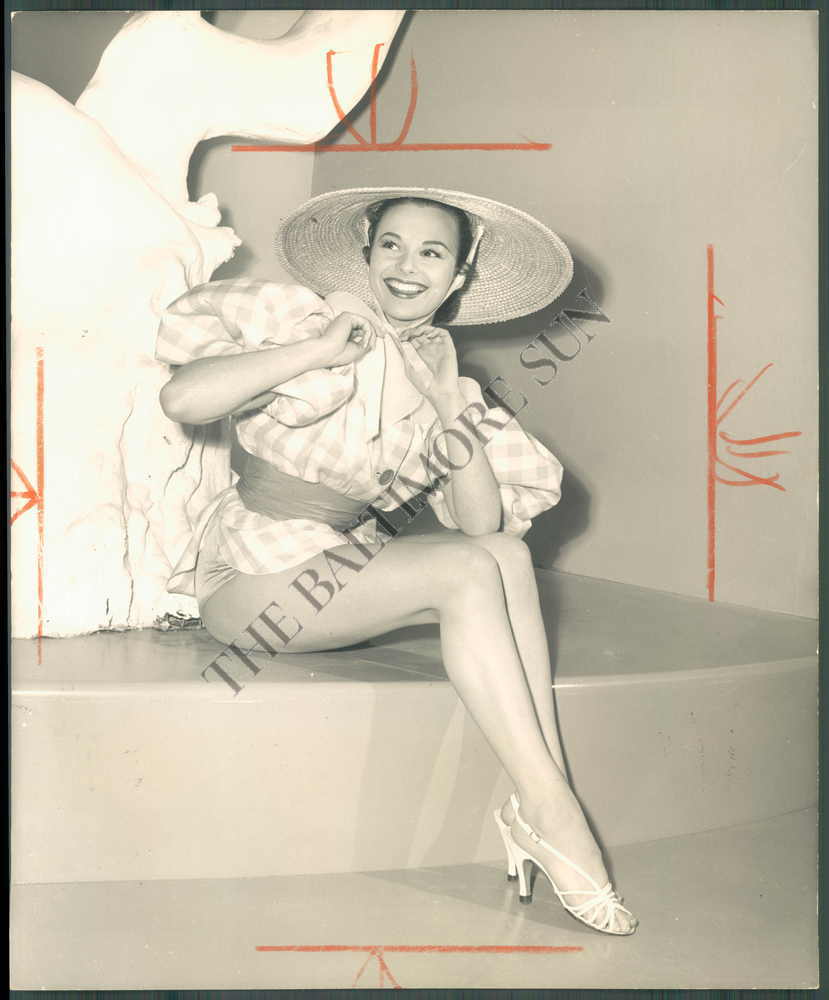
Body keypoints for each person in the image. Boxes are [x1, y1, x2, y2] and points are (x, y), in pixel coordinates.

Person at [156, 186, 637, 936]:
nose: (407, 267)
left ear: (458, 277)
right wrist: (321, 350)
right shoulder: (305, 318)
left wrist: (447, 405)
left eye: (431, 253)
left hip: (331, 570)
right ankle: (552, 813)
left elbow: (481, 525)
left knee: (503, 554)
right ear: (366, 253)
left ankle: (545, 802)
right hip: (249, 575)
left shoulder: (441, 374)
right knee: (468, 570)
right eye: (392, 246)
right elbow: (183, 399)